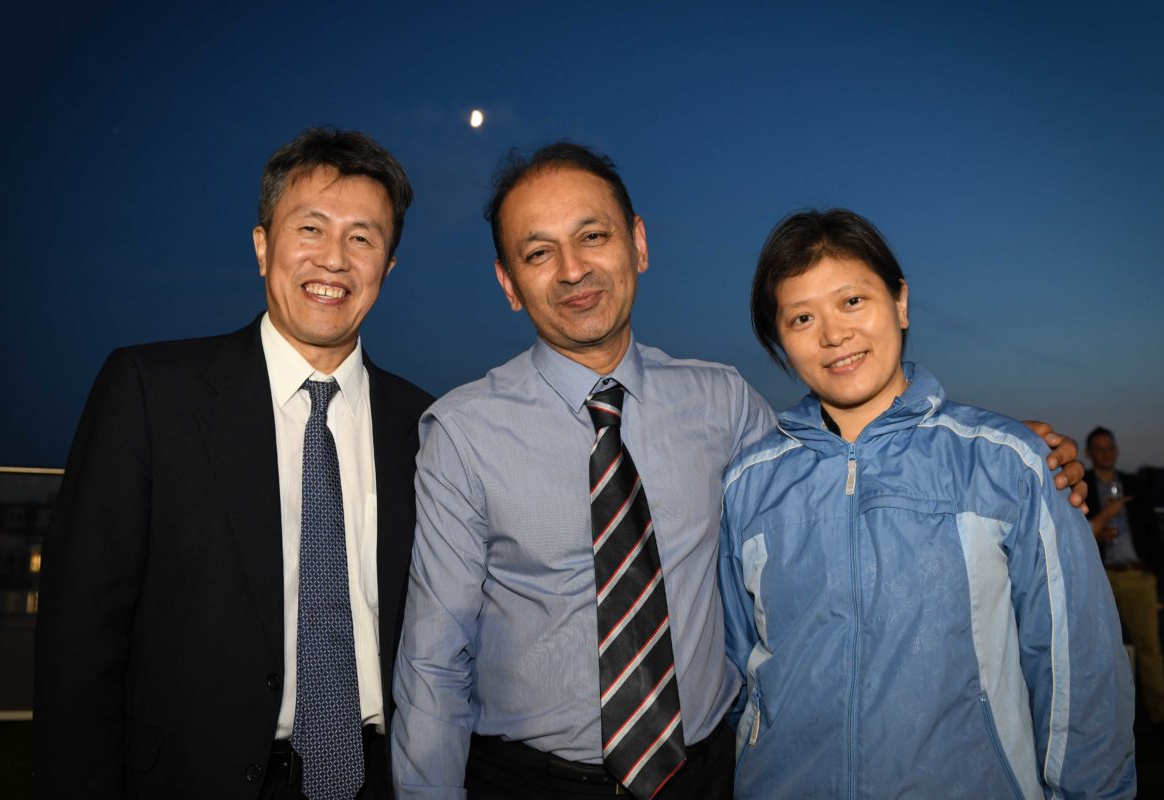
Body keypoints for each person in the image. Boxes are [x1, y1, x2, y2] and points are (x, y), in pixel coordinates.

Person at [390, 144, 1086, 800]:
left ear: (638, 243)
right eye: (539, 252)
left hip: (706, 774)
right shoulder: (463, 431)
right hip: (529, 782)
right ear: (509, 284)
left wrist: (1001, 452)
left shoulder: (720, 401)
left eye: (593, 236)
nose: (572, 269)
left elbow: (828, 464)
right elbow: (434, 662)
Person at [33, 129, 432, 800]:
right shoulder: (150, 394)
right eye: (311, 228)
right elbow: (80, 639)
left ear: (387, 267)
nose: (334, 259)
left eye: (362, 238)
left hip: (378, 779)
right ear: (262, 246)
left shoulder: (424, 426)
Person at [719, 209, 1134, 798]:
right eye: (802, 317)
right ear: (780, 344)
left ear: (900, 302)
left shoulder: (1006, 463)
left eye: (853, 301)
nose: (833, 334)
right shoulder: (749, 484)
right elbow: (738, 670)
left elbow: (1078, 670)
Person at [1085, 426, 1164, 737]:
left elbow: (1152, 530)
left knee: (1150, 648)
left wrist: (1153, 573)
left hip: (1137, 575)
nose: (1106, 453)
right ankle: (1104, 719)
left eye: (1110, 447)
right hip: (1100, 577)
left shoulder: (1135, 485)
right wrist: (1098, 532)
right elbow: (1077, 530)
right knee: (1099, 649)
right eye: (1099, 448)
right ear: (1089, 453)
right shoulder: (1082, 486)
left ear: (1117, 450)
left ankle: (1160, 717)